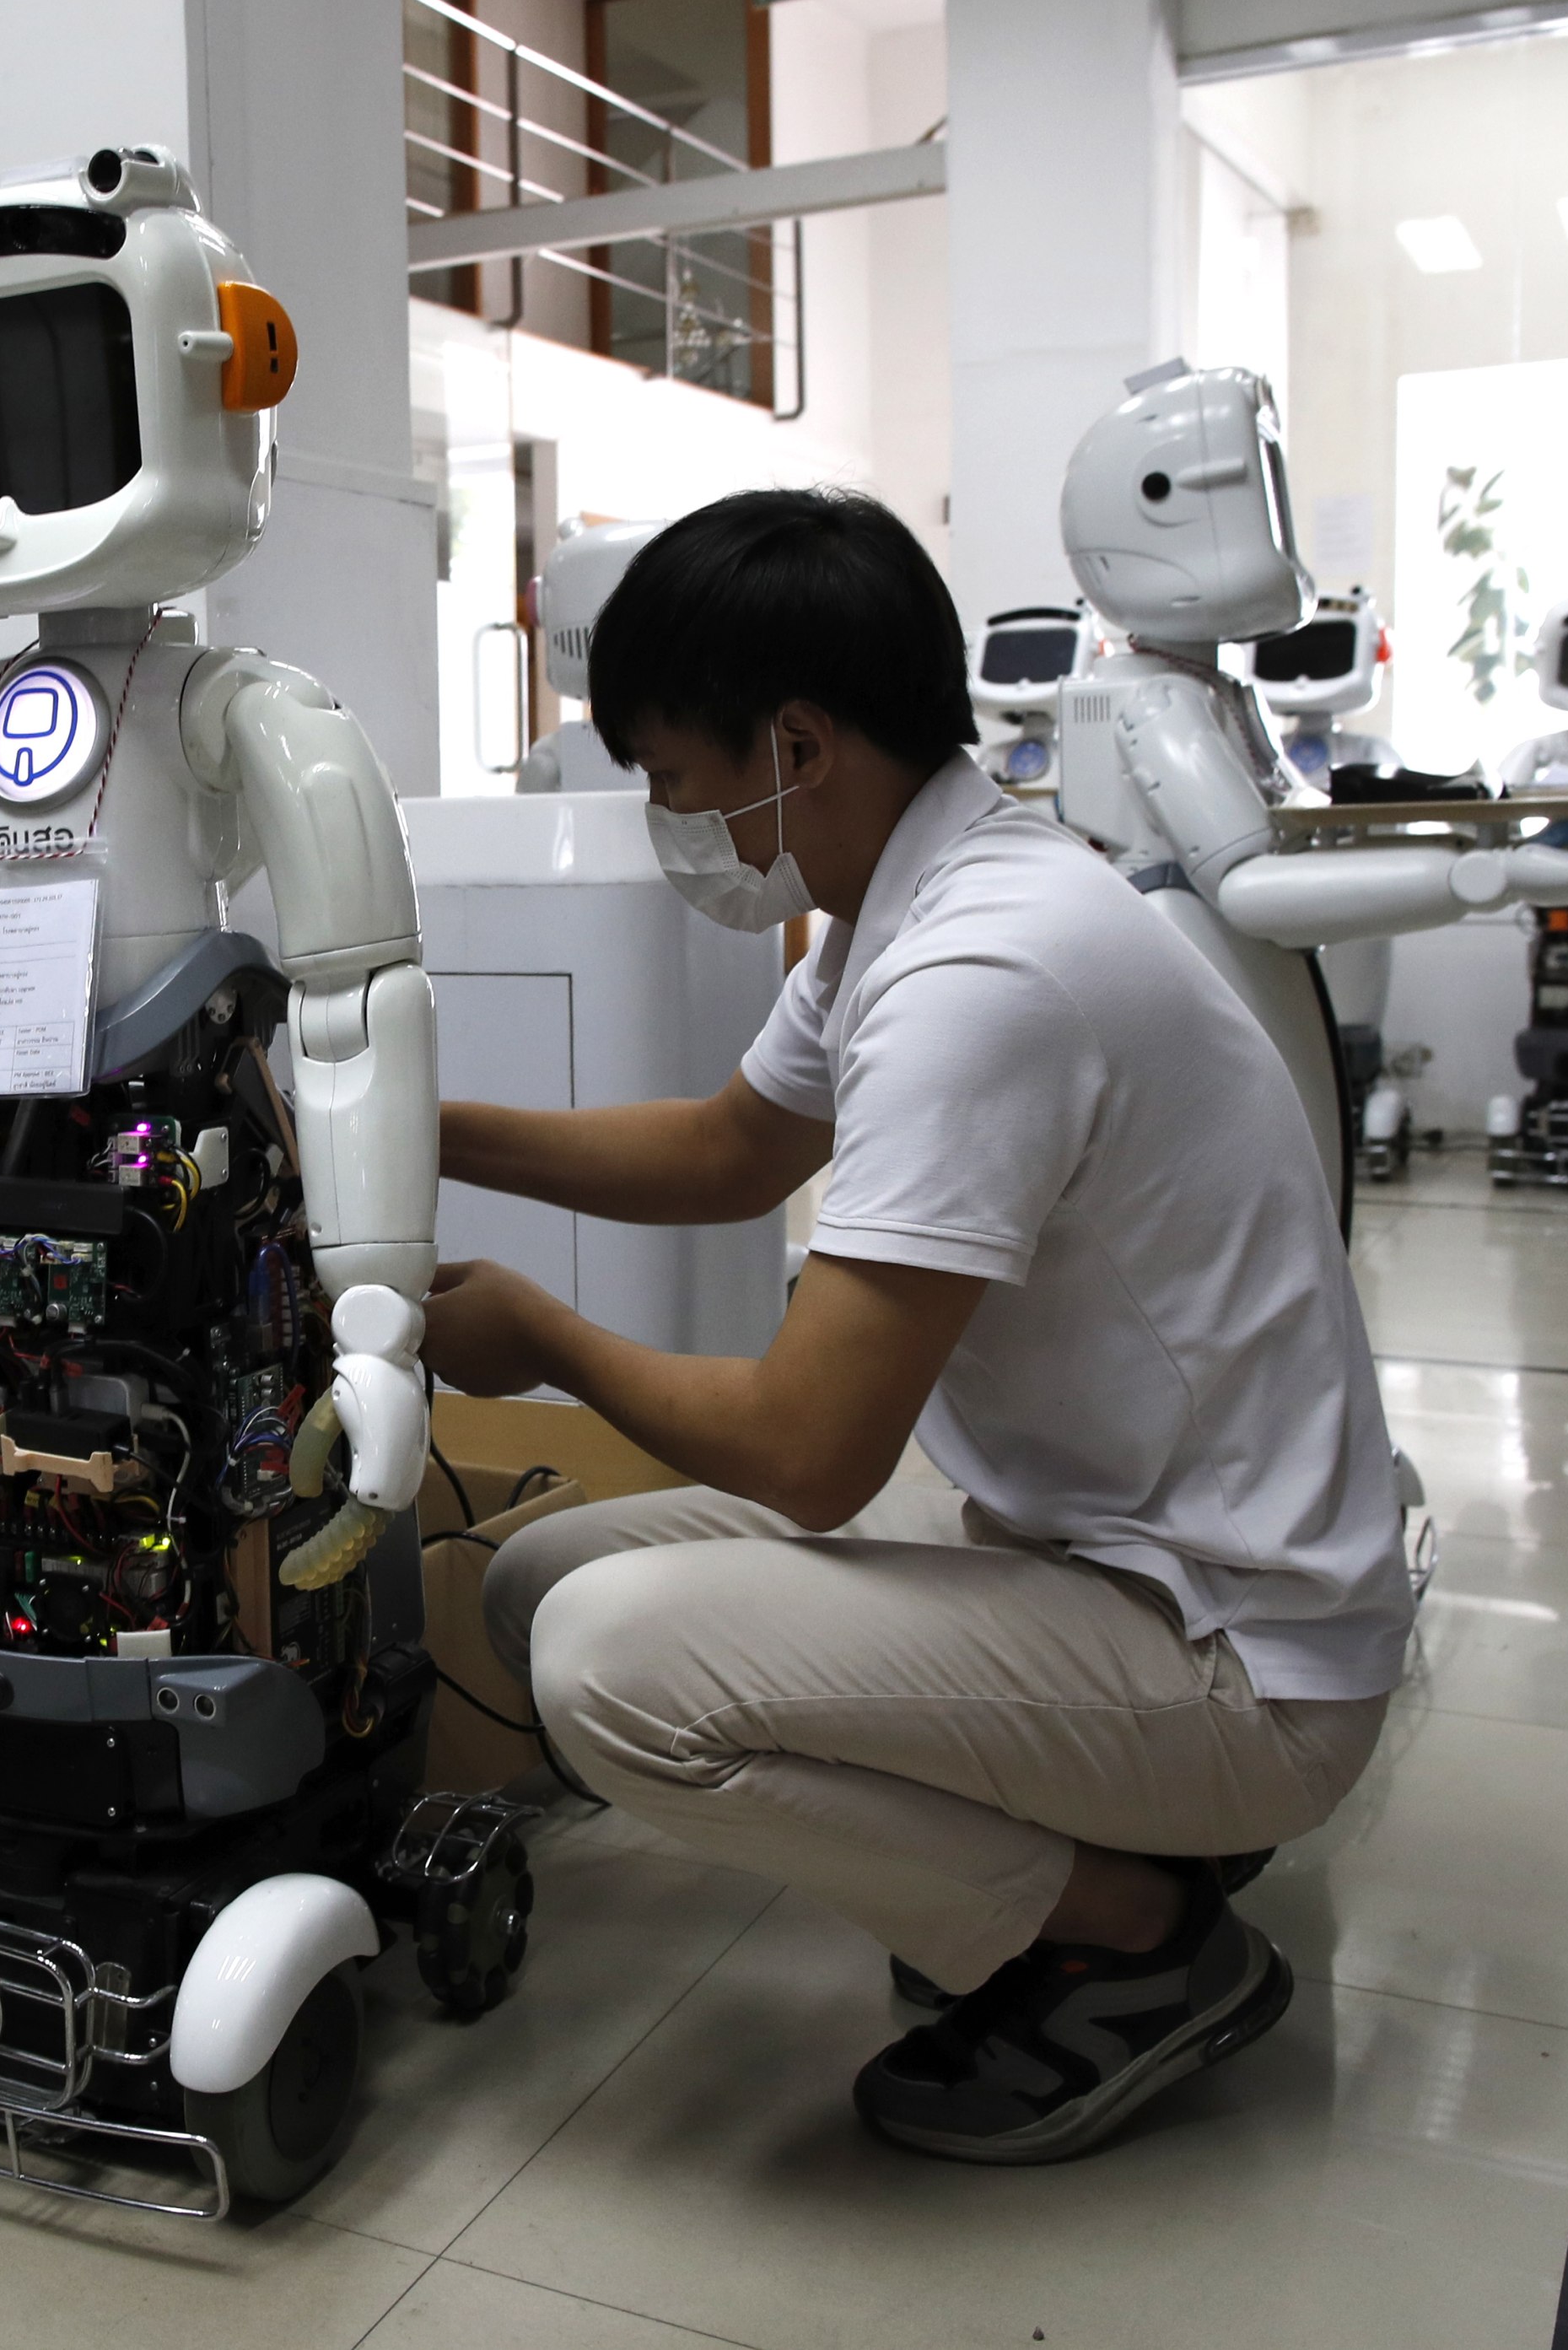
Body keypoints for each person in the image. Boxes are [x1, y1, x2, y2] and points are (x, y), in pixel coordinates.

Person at [423, 488, 1409, 2165]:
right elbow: (732, 1149)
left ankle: (1132, 1937)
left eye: (673, 777)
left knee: (614, 1674)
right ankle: (1079, 1839)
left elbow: (809, 1458)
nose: (671, 819)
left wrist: (547, 1339)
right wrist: (419, 1129)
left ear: (793, 744)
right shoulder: (918, 891)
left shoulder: (981, 979)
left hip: (1236, 1654)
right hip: (1084, 1535)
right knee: (535, 1580)